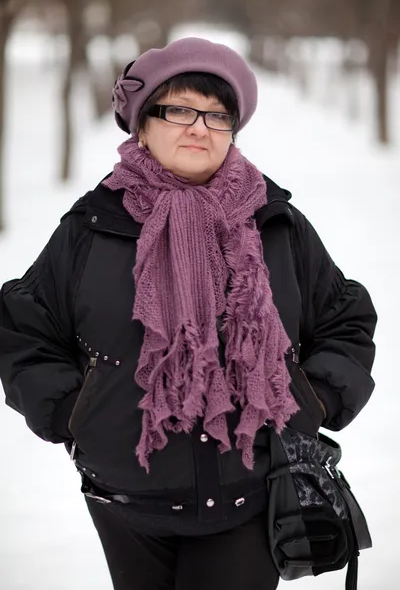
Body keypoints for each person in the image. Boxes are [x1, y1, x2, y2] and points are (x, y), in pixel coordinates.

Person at [0, 37, 377, 590]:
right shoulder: (92, 227)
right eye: (178, 110)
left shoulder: (276, 224)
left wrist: (313, 400)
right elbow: (24, 327)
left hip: (254, 492)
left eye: (217, 116)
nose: (199, 128)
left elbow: (345, 317)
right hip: (125, 500)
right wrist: (71, 414)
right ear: (142, 125)